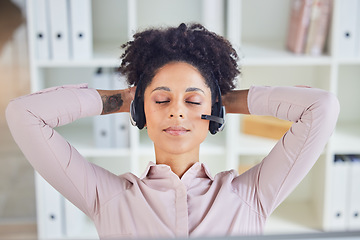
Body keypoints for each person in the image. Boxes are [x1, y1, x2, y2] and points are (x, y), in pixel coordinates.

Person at [6, 23, 339, 239]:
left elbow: (321, 108)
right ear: (142, 111)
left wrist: (223, 102)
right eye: (162, 99)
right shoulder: (109, 199)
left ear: (213, 114)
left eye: (192, 101)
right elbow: (24, 114)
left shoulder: (249, 197)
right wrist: (124, 99)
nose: (177, 110)